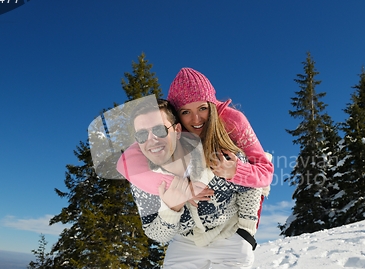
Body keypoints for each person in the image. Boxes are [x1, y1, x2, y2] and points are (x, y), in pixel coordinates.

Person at [123, 98, 262, 269]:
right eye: (141, 135)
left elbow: (250, 185)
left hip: (228, 235)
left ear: (177, 129)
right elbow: (156, 233)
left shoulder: (217, 151)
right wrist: (173, 207)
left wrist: (246, 231)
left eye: (159, 129)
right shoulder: (144, 176)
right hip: (185, 242)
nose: (151, 140)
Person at [117, 68, 273, 210]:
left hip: (239, 200)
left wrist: (236, 170)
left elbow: (265, 172)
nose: (196, 119)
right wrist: (181, 187)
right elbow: (126, 162)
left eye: (202, 108)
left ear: (211, 106)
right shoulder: (170, 129)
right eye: (185, 112)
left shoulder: (232, 120)